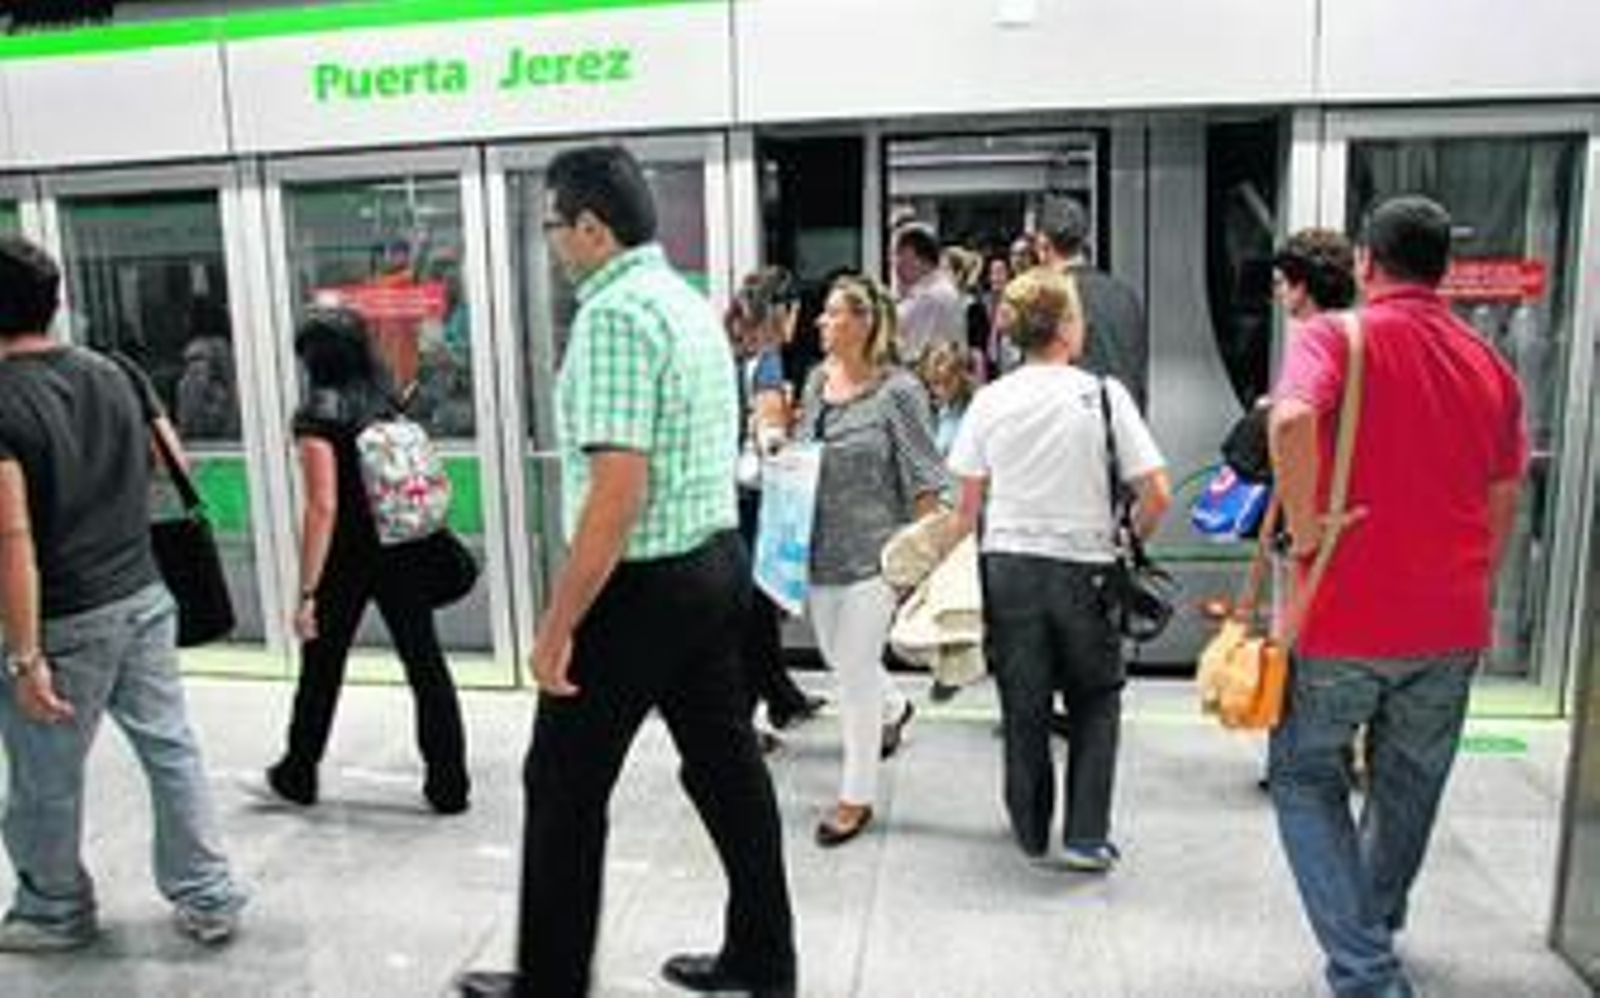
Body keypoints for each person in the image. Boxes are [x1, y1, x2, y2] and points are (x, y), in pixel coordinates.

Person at [457, 146, 796, 998]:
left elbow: (616, 492)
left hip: (640, 588)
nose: (551, 243)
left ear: (591, 227)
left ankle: (552, 982)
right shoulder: (681, 302)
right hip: (715, 567)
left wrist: (557, 625)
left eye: (551, 226)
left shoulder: (613, 316)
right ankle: (764, 958)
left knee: (563, 784)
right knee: (725, 771)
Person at [1267, 196, 1527, 998]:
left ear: (1367, 264)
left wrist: (1309, 532)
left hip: (1348, 610)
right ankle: (1373, 928)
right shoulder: (1491, 364)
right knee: (1409, 784)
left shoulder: (1334, 335)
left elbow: (1291, 422)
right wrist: (1472, 579)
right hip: (1450, 620)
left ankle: (1365, 967)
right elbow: (1504, 494)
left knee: (1306, 777)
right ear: (1443, 268)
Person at [0, 235, 248, 950]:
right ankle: (208, 894)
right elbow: (169, 459)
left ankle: (53, 909)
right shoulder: (115, 370)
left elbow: (11, 540)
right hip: (143, 592)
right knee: (172, 748)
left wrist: (24, 657)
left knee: (45, 774)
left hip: (64, 615)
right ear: (53, 304)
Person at [947, 268, 1170, 871]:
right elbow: (1156, 494)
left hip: (1009, 566)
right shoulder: (1103, 395)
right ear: (1069, 327)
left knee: (1024, 702)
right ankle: (1086, 835)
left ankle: (1028, 826)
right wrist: (1130, 538)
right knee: (1097, 696)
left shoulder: (990, 401)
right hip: (1087, 568)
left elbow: (966, 509)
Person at [257, 306, 470, 815]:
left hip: (349, 558)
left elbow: (323, 505)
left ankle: (298, 772)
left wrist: (307, 591)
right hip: (403, 549)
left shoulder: (318, 415)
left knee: (321, 668)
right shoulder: (388, 402)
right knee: (426, 667)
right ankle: (449, 786)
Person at [796, 273, 946, 847]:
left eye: (833, 313)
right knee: (839, 660)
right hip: (816, 552)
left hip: (876, 558)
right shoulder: (816, 381)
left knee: (852, 672)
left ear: (863, 323)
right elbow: (807, 450)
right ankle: (895, 705)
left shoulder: (899, 392)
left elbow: (927, 479)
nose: (820, 322)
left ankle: (854, 797)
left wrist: (919, 568)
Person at [726, 267, 826, 743]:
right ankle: (741, 729)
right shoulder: (766, 362)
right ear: (783, 312)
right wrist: (788, 432)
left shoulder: (733, 353)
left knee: (756, 615)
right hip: (753, 503)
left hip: (729, 498)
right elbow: (769, 438)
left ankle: (782, 698)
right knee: (754, 612)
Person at [1035, 197, 1150, 410]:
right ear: (1083, 241)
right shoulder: (1126, 295)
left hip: (1075, 433)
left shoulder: (1046, 301)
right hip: (1126, 429)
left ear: (1043, 246)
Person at [891, 225, 967, 366]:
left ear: (921, 259)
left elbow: (905, 352)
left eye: (899, 254)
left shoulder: (928, 296)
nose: (895, 263)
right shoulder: (941, 288)